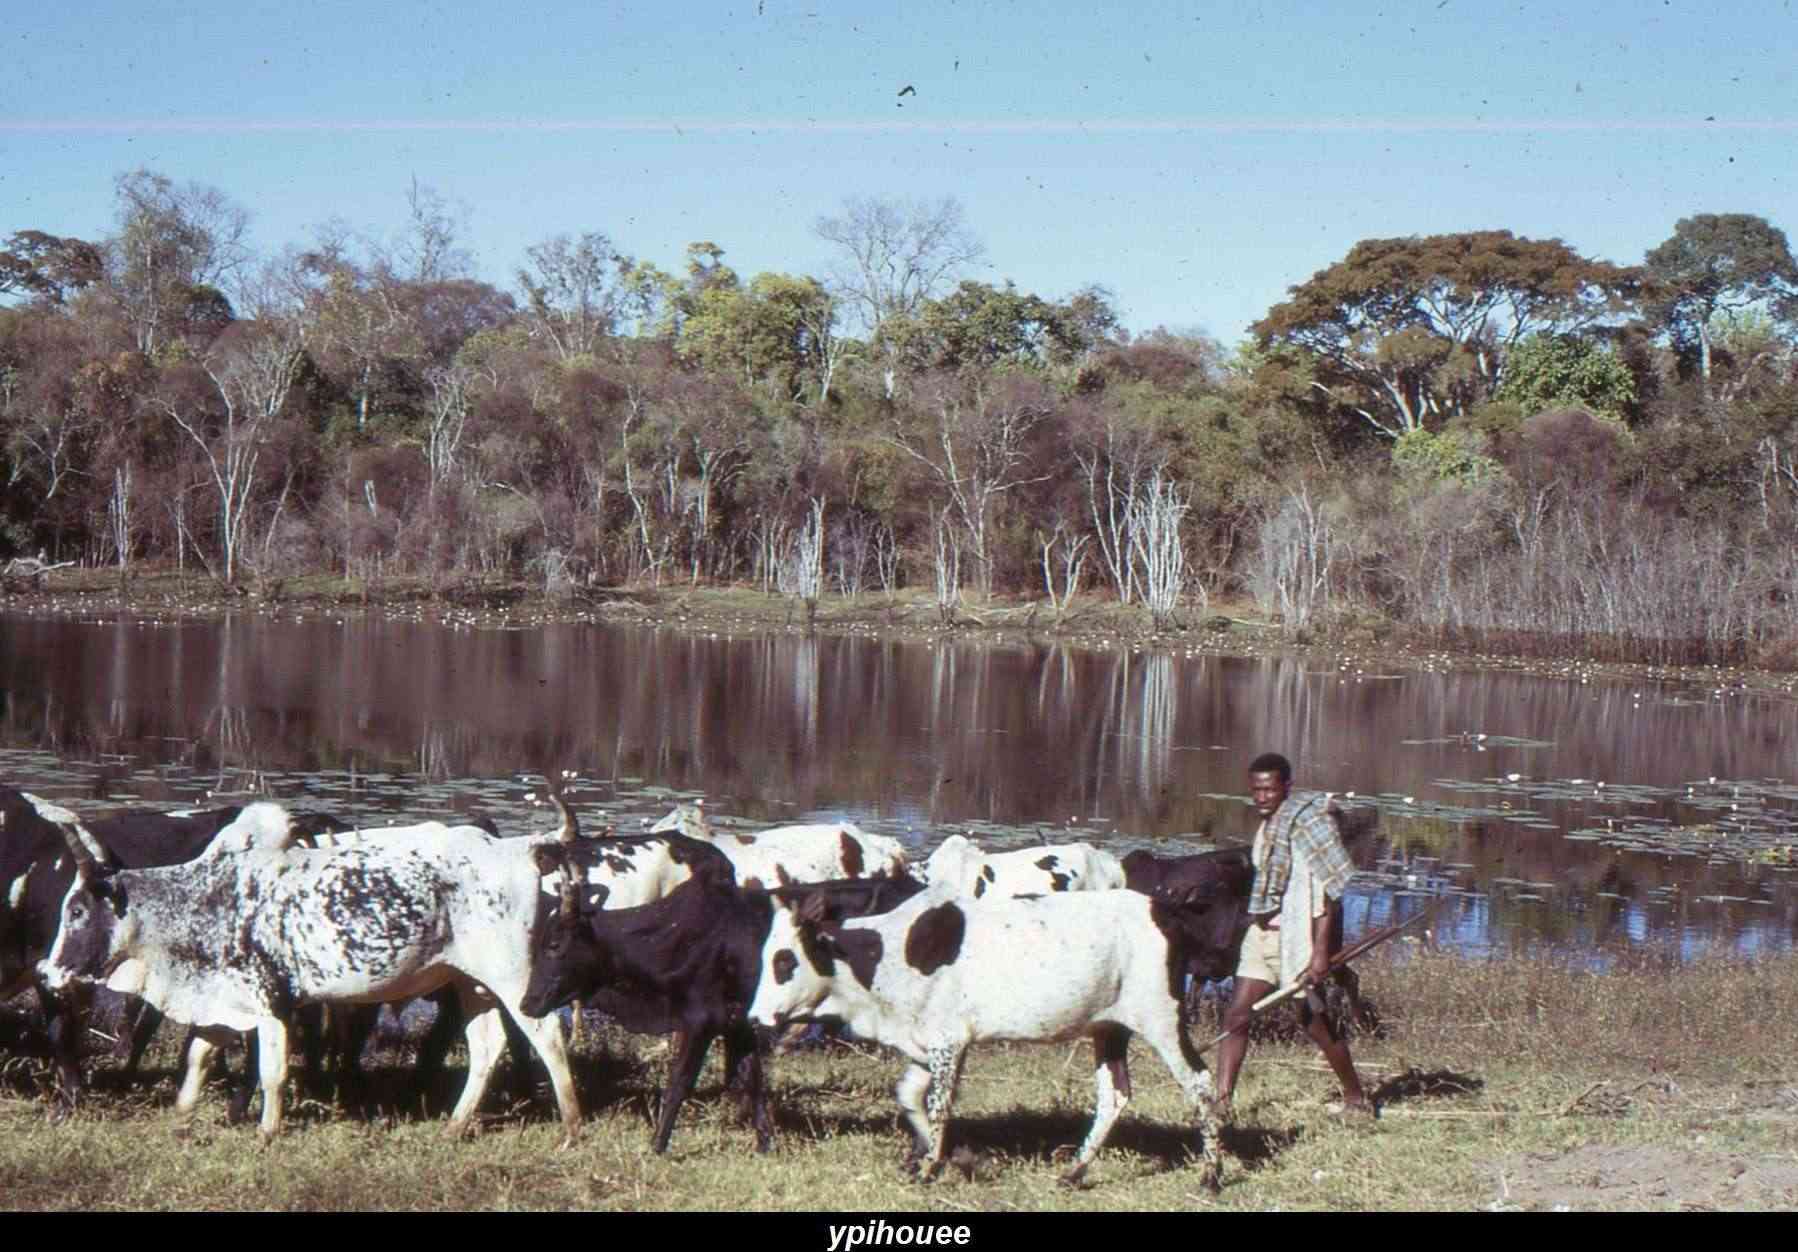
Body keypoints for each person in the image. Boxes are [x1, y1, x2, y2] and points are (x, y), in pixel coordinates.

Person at [1212, 752, 1373, 1119]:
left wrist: (1319, 954)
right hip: (1263, 934)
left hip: (1296, 938)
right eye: (1256, 790)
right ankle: (1222, 1103)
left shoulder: (1310, 824)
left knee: (1311, 1021)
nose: (1262, 797)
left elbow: (1327, 893)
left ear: (1287, 786)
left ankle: (1356, 1098)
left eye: (1269, 789)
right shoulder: (1270, 825)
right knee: (1237, 1013)